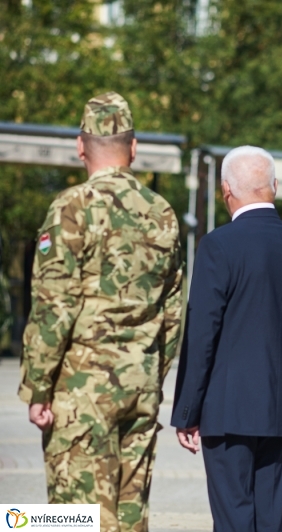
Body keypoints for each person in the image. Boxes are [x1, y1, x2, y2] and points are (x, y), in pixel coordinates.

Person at [18, 92, 183, 531]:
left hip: (82, 389)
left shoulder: (71, 208)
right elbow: (173, 311)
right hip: (139, 384)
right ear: (133, 148)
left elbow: (55, 306)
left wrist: (38, 386)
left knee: (75, 516)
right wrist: (151, 372)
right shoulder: (161, 213)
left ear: (80, 146)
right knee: (129, 514)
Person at [171, 146, 282, 532]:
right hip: (278, 406)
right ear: (275, 186)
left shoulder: (218, 245)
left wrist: (187, 411)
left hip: (226, 409)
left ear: (226, 190)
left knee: (234, 517)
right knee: (271, 516)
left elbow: (203, 332)